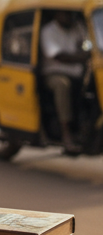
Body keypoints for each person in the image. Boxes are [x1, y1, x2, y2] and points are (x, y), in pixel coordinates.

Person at [40, 10, 88, 152]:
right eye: (65, 14)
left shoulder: (77, 27)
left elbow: (87, 44)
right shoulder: (48, 31)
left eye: (70, 14)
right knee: (63, 85)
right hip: (53, 73)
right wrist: (82, 57)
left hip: (76, 73)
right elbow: (59, 56)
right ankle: (65, 133)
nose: (69, 17)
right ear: (57, 14)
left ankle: (83, 128)